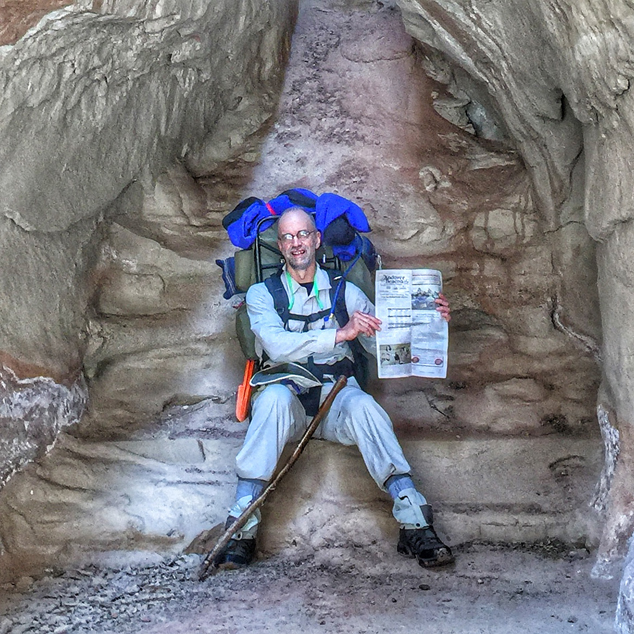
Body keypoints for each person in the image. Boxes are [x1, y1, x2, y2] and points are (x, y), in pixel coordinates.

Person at [214, 207, 453, 570]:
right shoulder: (264, 295)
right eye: (288, 237)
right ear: (280, 245)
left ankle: (415, 522)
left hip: (336, 398)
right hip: (289, 403)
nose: (297, 243)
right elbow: (276, 346)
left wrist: (428, 319)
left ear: (317, 239)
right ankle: (242, 530)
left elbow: (384, 342)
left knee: (366, 408)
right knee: (274, 399)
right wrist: (340, 334)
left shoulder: (347, 293)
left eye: (303, 235)